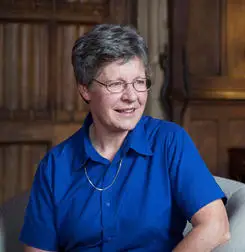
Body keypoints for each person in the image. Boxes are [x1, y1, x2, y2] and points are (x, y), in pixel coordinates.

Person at [19, 24, 230, 252]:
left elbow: (216, 226)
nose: (131, 97)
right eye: (116, 84)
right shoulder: (54, 166)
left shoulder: (169, 142)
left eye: (139, 82)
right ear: (85, 90)